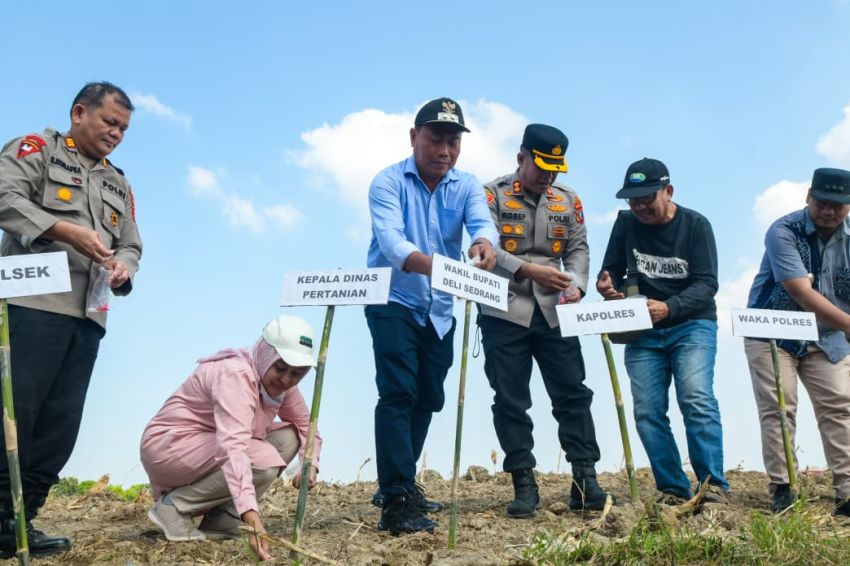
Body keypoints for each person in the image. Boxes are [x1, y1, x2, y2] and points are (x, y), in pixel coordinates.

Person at [0, 82, 142, 558]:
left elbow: (131, 242)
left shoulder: (119, 182)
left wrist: (125, 267)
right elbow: (4, 196)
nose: (117, 134)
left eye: (123, 128)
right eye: (109, 123)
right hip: (31, 305)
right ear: (79, 113)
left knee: (61, 424)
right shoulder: (36, 150)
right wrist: (62, 229)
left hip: (89, 316)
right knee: (15, 417)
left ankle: (19, 523)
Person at [365, 97, 499, 535]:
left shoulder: (466, 185)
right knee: (398, 391)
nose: (445, 150)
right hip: (393, 300)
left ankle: (401, 483)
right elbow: (393, 245)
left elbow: (483, 224)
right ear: (413, 138)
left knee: (427, 397)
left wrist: (483, 246)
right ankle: (397, 495)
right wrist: (446, 269)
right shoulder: (387, 182)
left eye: (453, 142)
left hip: (440, 309)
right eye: (436, 139)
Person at [478, 124, 609, 517]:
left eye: (555, 169)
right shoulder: (492, 194)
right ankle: (524, 482)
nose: (548, 176)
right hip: (504, 310)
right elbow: (487, 245)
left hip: (555, 312)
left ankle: (584, 478)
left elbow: (578, 247)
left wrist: (579, 286)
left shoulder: (568, 200)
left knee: (573, 394)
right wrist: (529, 272)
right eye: (540, 167)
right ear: (521, 158)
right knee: (511, 399)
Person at [596, 157, 729, 504]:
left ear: (668, 191)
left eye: (646, 198)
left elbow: (707, 283)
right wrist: (606, 285)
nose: (638, 206)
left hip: (691, 324)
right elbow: (609, 270)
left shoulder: (697, 226)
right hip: (641, 331)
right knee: (647, 410)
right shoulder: (626, 223)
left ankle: (712, 486)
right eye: (632, 199)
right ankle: (672, 488)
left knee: (696, 398)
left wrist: (669, 308)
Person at [140, 315, 320, 561]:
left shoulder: (283, 386)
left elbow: (305, 426)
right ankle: (174, 507)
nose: (286, 379)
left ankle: (223, 518)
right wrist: (250, 514)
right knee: (264, 463)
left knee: (289, 438)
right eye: (280, 368)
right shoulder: (235, 373)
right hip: (170, 446)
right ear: (267, 354)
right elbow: (232, 448)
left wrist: (310, 464)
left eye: (297, 373)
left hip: (206, 446)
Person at [745, 167, 850, 516]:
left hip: (828, 336)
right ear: (808, 197)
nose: (829, 211)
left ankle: (847, 491)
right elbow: (800, 292)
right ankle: (783, 488)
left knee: (839, 405)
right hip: (774, 331)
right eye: (822, 202)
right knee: (779, 407)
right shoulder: (783, 230)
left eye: (838, 204)